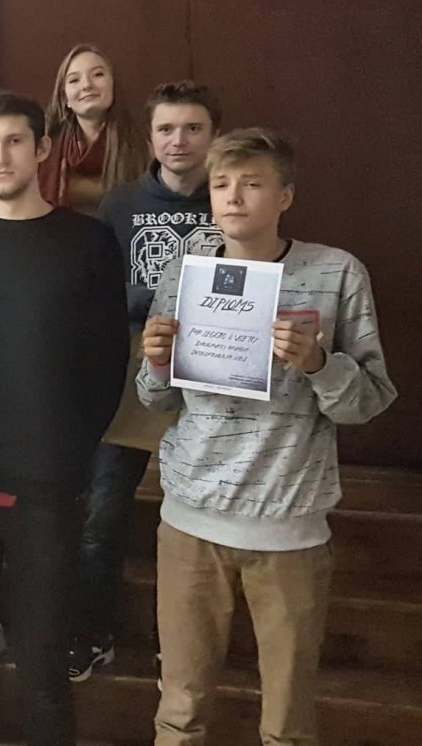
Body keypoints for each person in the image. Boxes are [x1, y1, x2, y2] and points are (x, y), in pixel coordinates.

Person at [139, 128, 396, 746]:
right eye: (221, 184)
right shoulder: (184, 273)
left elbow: (369, 401)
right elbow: (156, 400)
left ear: (285, 196)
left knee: (287, 722)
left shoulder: (336, 273)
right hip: (190, 520)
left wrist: (319, 364)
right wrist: (154, 365)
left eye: (252, 183)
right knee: (179, 712)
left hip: (290, 527)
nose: (233, 197)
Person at [0, 90, 128, 746]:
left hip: (45, 485)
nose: (0, 156)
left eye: (14, 141)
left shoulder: (88, 242)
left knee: (42, 663)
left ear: (42, 148)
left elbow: (106, 364)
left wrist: (66, 453)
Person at [67, 81, 224, 682]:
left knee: (199, 525)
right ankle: (92, 632)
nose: (179, 141)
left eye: (193, 128)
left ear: (213, 135)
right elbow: (97, 292)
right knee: (103, 514)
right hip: (131, 374)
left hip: (211, 378)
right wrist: (166, 299)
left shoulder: (231, 198)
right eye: (166, 129)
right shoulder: (122, 203)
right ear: (151, 137)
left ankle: (179, 648)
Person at [39, 43, 148, 217]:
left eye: (97, 75)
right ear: (65, 98)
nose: (87, 85)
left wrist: (79, 187)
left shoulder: (142, 145)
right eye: (74, 80)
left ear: (114, 85)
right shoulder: (47, 147)